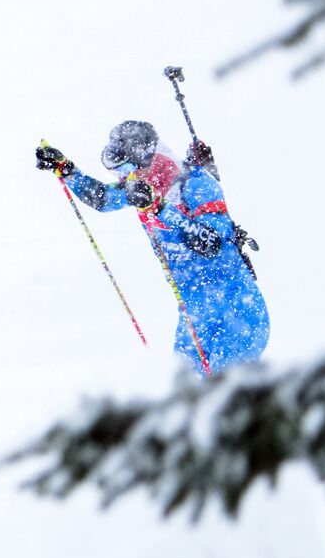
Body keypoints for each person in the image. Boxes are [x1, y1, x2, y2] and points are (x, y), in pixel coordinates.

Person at [36, 121, 269, 374]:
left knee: (223, 403)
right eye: (117, 171)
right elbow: (102, 198)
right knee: (185, 400)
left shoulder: (197, 185)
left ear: (148, 159)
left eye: (126, 169)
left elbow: (211, 243)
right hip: (195, 316)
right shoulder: (142, 188)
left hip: (236, 312)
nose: (124, 179)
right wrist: (66, 169)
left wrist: (160, 209)